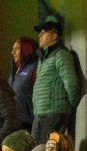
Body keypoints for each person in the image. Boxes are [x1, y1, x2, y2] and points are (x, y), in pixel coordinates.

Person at [32, 15, 83, 143]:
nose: (39, 35)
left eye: (43, 32)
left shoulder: (62, 54)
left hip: (54, 113)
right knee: (35, 150)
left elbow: (71, 83)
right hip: (40, 114)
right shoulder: (43, 57)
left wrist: (68, 107)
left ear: (54, 35)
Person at [9, 37, 38, 131]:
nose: (12, 52)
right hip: (16, 120)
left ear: (27, 49)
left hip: (29, 122)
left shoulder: (34, 68)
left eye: (17, 49)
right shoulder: (15, 69)